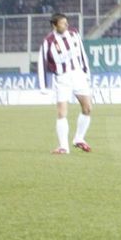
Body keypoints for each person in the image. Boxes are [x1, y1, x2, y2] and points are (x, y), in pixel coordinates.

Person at [37, 13, 94, 154]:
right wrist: (43, 86)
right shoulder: (48, 42)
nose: (66, 25)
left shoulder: (74, 34)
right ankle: (64, 146)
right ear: (54, 25)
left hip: (78, 75)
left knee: (87, 108)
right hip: (62, 78)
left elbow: (82, 53)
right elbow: (41, 64)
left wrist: (87, 73)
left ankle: (79, 139)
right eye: (63, 23)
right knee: (62, 112)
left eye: (66, 22)